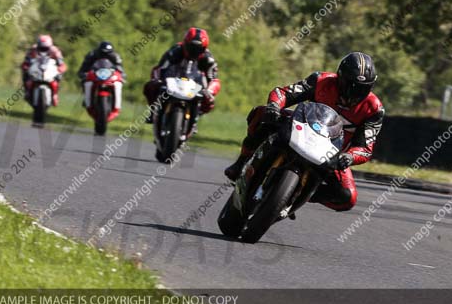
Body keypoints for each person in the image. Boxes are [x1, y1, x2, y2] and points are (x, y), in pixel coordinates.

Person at [224, 51, 385, 213]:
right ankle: (241, 162)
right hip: (300, 129)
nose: (354, 93)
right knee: (261, 113)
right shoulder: (321, 80)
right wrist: (274, 106)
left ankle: (302, 195)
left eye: (362, 88)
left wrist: (349, 156)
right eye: (350, 85)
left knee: (348, 198)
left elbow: (365, 147)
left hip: (332, 154)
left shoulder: (374, 109)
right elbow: (284, 93)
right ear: (340, 77)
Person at [143, 27, 221, 122]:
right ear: (185, 43)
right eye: (191, 47)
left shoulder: (208, 59)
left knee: (210, 100)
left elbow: (214, 80)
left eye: (198, 48)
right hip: (172, 82)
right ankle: (154, 111)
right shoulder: (174, 52)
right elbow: (158, 69)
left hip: (195, 87)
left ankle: (195, 117)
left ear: (204, 48)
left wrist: (209, 91)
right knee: (150, 86)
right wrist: (157, 80)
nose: (194, 51)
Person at [21, 34, 67, 106]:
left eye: (46, 48)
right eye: (41, 48)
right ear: (38, 45)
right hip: (36, 71)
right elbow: (26, 62)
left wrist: (60, 68)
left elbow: (61, 63)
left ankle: (55, 94)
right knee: (25, 74)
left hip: (50, 71)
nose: (43, 50)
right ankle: (27, 92)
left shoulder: (55, 51)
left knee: (58, 76)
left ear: (50, 46)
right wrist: (26, 66)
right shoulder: (33, 50)